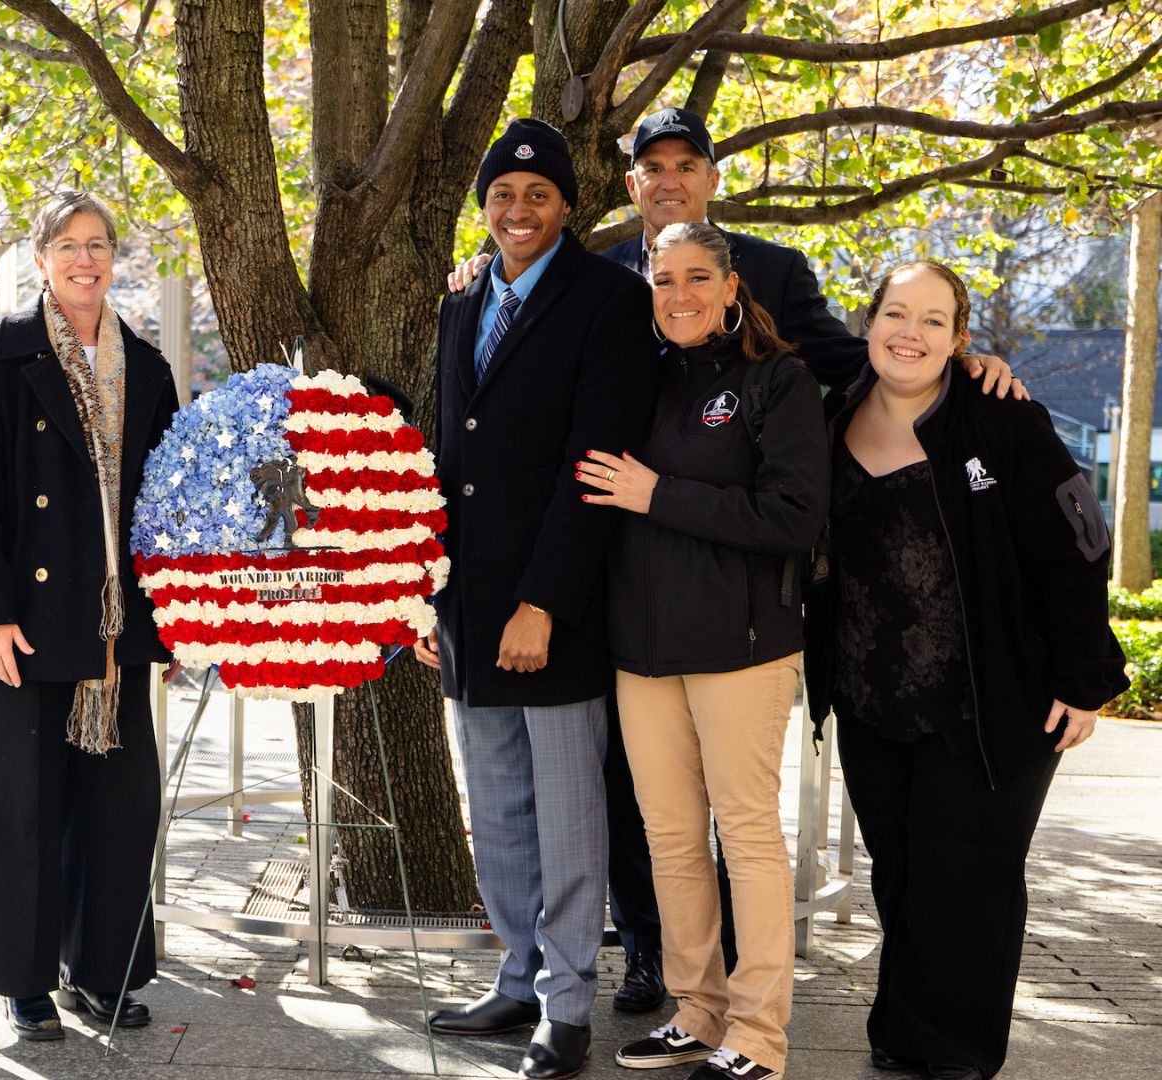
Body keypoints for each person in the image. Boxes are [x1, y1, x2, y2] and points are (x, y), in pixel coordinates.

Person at [446, 105, 1020, 1008]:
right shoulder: (589, 279)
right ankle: (662, 969)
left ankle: (745, 1018)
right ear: (630, 184)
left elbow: (861, 365)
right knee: (644, 813)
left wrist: (950, 362)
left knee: (730, 823)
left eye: (687, 164)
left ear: (712, 188)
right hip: (625, 605)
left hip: (732, 611)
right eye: (653, 167)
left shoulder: (771, 293)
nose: (669, 178)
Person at [805, 261, 1127, 1080]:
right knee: (902, 872)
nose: (909, 333)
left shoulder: (1001, 418)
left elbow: (1078, 549)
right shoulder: (829, 411)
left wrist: (1084, 680)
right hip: (873, 697)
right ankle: (904, 1030)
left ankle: (959, 1051)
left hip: (994, 698)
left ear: (961, 341)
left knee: (970, 878)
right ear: (866, 322)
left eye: (933, 321)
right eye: (895, 314)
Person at [414, 119, 661, 1080]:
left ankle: (567, 1007)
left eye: (539, 196)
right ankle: (516, 976)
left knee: (567, 818)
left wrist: (544, 602)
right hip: (468, 609)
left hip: (552, 612)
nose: (519, 210)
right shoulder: (463, 300)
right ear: (486, 206)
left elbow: (593, 465)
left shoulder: (609, 300)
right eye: (503, 195)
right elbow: (449, 458)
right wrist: (431, 598)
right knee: (501, 809)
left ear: (567, 206)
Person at [577, 223, 825, 1080]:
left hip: (742, 648)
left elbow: (793, 518)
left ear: (728, 285)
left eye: (695, 278)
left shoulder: (778, 381)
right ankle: (697, 1010)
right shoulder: (638, 380)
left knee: (747, 836)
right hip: (643, 652)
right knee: (671, 839)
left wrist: (659, 494)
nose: (678, 294)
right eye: (663, 279)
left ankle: (759, 1035)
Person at [0, 191, 179, 1042]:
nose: (87, 260)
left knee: (122, 807)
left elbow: (168, 506)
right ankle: (26, 979)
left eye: (100, 245)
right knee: (28, 805)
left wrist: (174, 616)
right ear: (41, 258)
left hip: (118, 627)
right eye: (70, 246)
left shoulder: (148, 368)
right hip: (27, 621)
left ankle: (105, 970)